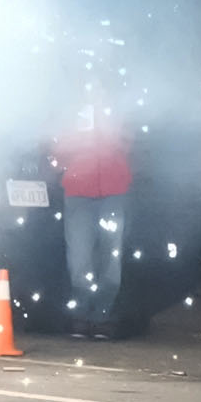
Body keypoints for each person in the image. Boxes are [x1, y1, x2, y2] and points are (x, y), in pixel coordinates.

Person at [52, 78, 132, 339]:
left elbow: (131, 144)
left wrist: (107, 128)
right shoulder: (70, 114)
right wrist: (80, 138)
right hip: (78, 192)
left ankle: (102, 316)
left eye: (100, 86)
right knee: (79, 256)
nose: (95, 90)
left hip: (113, 191)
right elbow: (57, 150)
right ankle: (83, 314)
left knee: (111, 257)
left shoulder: (119, 112)